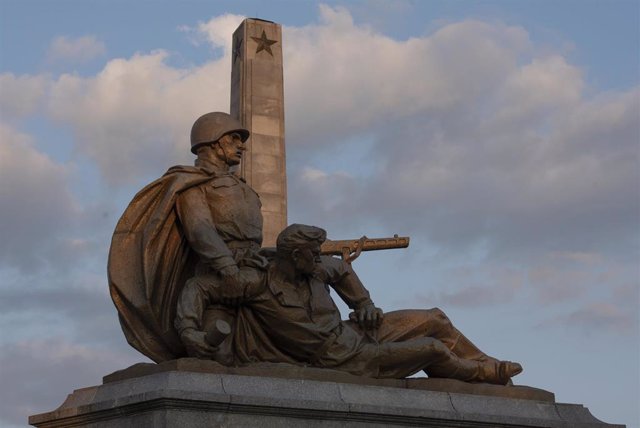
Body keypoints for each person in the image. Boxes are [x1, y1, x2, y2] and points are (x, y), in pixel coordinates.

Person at [175, 224, 523, 384]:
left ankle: (485, 363)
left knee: (435, 318)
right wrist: (190, 330)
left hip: (357, 332)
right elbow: (199, 287)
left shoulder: (313, 268)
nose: (318, 259)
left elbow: (341, 269)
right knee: (433, 349)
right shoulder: (257, 285)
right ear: (295, 256)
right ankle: (484, 374)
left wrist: (364, 302)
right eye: (313, 254)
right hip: (345, 359)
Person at [108, 112, 267, 363]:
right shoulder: (191, 183)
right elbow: (200, 230)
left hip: (259, 272)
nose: (242, 146)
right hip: (222, 279)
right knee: (220, 356)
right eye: (234, 139)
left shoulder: (243, 187)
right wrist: (229, 270)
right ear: (214, 142)